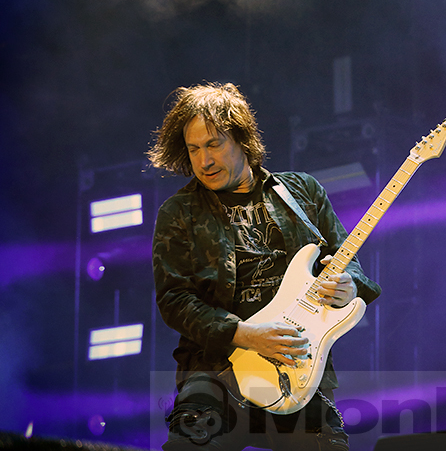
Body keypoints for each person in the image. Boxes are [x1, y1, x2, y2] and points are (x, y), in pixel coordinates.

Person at [149, 82, 381, 451]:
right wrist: (245, 335)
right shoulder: (179, 213)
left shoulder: (301, 192)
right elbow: (174, 300)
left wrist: (349, 288)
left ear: (242, 139)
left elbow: (350, 265)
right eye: (193, 149)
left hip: (296, 372)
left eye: (213, 144)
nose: (203, 161)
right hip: (214, 375)